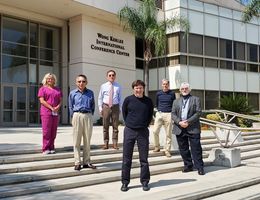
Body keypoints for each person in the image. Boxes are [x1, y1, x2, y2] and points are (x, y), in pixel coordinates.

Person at [121, 80, 154, 192]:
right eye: (136, 88)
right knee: (126, 159)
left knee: (144, 159)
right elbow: (124, 113)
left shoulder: (148, 101)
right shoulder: (128, 100)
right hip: (129, 131)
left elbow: (150, 115)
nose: (138, 90)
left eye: (140, 88)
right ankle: (125, 182)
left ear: (143, 89)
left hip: (143, 132)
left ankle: (145, 182)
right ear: (133, 89)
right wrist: (130, 124)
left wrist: (144, 124)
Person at [171, 82, 205, 175]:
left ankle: (199, 167)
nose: (184, 90)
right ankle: (188, 165)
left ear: (189, 89)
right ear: (180, 90)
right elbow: (173, 114)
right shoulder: (176, 101)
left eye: (186, 88)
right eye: (182, 89)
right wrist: (179, 122)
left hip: (193, 128)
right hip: (179, 128)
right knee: (183, 149)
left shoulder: (196, 99)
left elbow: (198, 112)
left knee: (196, 148)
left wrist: (188, 122)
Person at [68, 74, 96, 171]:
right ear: (76, 83)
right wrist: (73, 116)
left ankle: (86, 162)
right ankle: (77, 162)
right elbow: (70, 106)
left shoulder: (90, 93)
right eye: (79, 81)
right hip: (77, 115)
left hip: (87, 116)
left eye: (83, 81)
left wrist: (90, 114)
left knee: (87, 140)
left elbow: (93, 105)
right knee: (76, 141)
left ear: (86, 82)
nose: (81, 83)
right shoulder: (72, 93)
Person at [38, 73, 62, 155]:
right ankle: (45, 148)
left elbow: (60, 100)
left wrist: (58, 107)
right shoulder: (42, 89)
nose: (50, 80)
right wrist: (52, 108)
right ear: (46, 79)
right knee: (46, 131)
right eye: (48, 78)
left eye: (52, 78)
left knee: (53, 131)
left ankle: (52, 147)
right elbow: (42, 101)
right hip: (46, 112)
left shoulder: (57, 89)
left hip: (55, 113)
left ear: (54, 80)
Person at [98, 70, 122, 150]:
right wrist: (100, 108)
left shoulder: (118, 86)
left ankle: (115, 143)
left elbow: (120, 98)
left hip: (115, 106)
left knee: (115, 126)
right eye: (110, 75)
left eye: (113, 75)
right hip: (106, 107)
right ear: (107, 77)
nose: (111, 76)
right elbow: (100, 98)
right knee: (105, 126)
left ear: (115, 76)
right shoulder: (103, 86)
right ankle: (106, 143)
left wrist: (120, 108)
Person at [153, 79, 176, 157]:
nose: (165, 85)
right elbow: (156, 103)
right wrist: (158, 111)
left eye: (166, 84)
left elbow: (174, 104)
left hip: (169, 114)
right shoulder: (158, 94)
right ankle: (157, 147)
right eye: (163, 84)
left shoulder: (172, 93)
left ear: (168, 85)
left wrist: (172, 114)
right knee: (155, 131)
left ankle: (167, 150)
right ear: (161, 85)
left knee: (168, 134)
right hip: (159, 113)